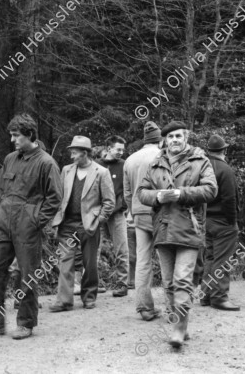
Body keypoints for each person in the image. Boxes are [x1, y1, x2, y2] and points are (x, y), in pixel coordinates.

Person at [0, 113, 63, 340]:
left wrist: (36, 221)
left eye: (17, 136)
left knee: (27, 274)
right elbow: (1, 187)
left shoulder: (46, 163)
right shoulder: (10, 158)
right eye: (12, 136)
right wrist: (0, 208)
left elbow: (55, 198)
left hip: (27, 225)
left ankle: (25, 323)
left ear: (30, 135)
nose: (13, 140)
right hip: (3, 222)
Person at [138, 120, 217, 348]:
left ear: (186, 138)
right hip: (162, 229)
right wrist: (158, 197)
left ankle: (179, 328)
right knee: (168, 282)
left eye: (178, 137)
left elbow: (211, 190)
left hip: (189, 229)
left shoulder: (200, 161)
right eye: (170, 137)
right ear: (165, 140)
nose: (174, 140)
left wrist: (180, 193)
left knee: (183, 280)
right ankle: (178, 322)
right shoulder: (156, 164)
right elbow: (141, 192)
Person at [49, 136, 115, 312]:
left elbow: (109, 202)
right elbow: (60, 197)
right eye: (71, 152)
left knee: (89, 263)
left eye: (75, 153)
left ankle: (89, 296)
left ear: (85, 153)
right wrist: (57, 219)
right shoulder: (66, 170)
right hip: (67, 225)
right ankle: (64, 300)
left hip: (89, 226)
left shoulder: (101, 172)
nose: (71, 156)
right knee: (65, 261)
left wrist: (98, 220)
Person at [123, 121, 163, 321]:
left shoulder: (130, 159)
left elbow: (127, 193)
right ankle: (174, 306)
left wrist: (134, 210)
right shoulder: (162, 156)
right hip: (160, 212)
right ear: (160, 139)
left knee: (143, 260)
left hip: (138, 213)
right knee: (166, 258)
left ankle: (144, 307)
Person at [200, 134, 241, 311]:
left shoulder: (202, 166)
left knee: (210, 257)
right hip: (223, 221)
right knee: (223, 260)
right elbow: (230, 199)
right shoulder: (226, 170)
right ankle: (219, 297)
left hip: (205, 220)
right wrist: (232, 222)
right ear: (224, 150)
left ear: (209, 150)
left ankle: (206, 294)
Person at [98, 135, 130, 297]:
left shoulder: (124, 165)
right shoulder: (97, 165)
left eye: (122, 150)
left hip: (117, 213)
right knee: (92, 248)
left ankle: (122, 284)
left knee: (121, 247)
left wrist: (123, 206)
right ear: (109, 148)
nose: (121, 152)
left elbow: (128, 187)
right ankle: (93, 283)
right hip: (97, 213)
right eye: (118, 149)